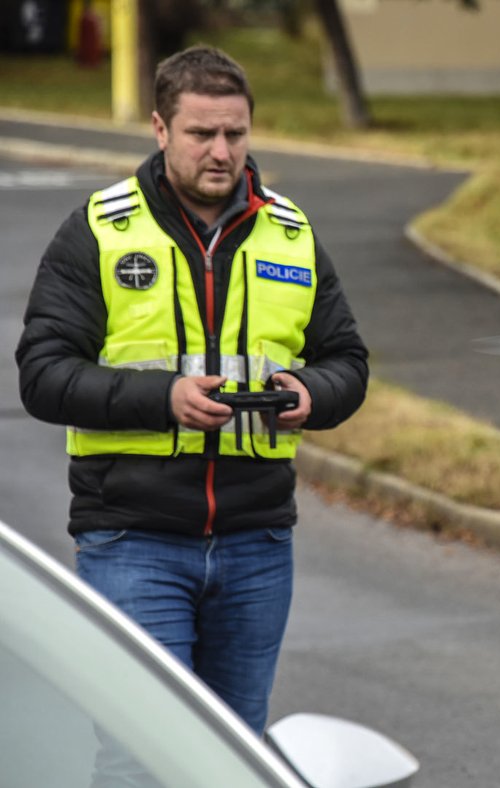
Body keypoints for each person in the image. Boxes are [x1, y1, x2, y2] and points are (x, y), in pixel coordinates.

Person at [16, 45, 369, 737]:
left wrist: (311, 394)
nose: (221, 152)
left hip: (257, 541)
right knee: (145, 757)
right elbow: (43, 373)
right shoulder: (101, 229)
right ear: (159, 129)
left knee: (237, 758)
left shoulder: (291, 234)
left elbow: (347, 360)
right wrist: (165, 398)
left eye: (235, 133)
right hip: (131, 540)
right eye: (201, 133)